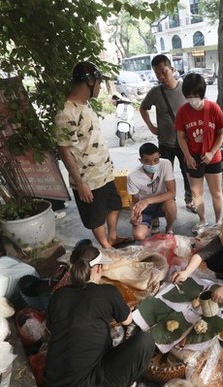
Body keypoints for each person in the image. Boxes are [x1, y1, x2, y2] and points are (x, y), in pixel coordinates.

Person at [44, 242, 156, 387]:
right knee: (145, 341)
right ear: (98, 269)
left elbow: (51, 328)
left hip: (54, 386)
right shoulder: (107, 292)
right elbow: (127, 320)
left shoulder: (58, 296)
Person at [56, 61, 132, 249]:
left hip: (105, 171)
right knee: (95, 217)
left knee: (115, 205)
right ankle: (107, 247)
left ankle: (113, 236)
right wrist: (80, 183)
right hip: (87, 178)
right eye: (99, 83)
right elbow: (64, 150)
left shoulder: (86, 104)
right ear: (89, 82)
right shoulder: (66, 112)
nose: (100, 87)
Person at [140, 55, 196, 214]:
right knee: (164, 176)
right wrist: (151, 126)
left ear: (172, 69)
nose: (161, 77)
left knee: (187, 173)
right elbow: (143, 108)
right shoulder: (155, 92)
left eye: (164, 72)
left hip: (184, 143)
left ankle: (190, 199)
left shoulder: (185, 89)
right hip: (165, 143)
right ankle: (168, 202)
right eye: (157, 74)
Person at [175, 72, 223, 234]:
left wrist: (212, 152)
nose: (192, 99)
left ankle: (218, 221)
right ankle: (202, 219)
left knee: (216, 192)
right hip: (193, 158)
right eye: (189, 96)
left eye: (196, 95)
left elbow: (221, 132)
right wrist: (188, 156)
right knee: (197, 193)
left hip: (212, 157)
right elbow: (181, 136)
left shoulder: (213, 108)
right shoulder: (183, 111)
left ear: (202, 93)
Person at [127, 142, 177, 240]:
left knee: (171, 205)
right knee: (139, 236)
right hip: (145, 207)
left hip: (161, 202)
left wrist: (147, 201)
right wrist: (134, 216)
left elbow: (172, 192)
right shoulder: (133, 177)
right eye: (147, 161)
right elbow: (135, 201)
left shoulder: (165, 164)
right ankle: (152, 221)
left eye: (156, 160)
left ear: (159, 156)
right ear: (141, 161)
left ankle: (169, 228)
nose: (152, 164)